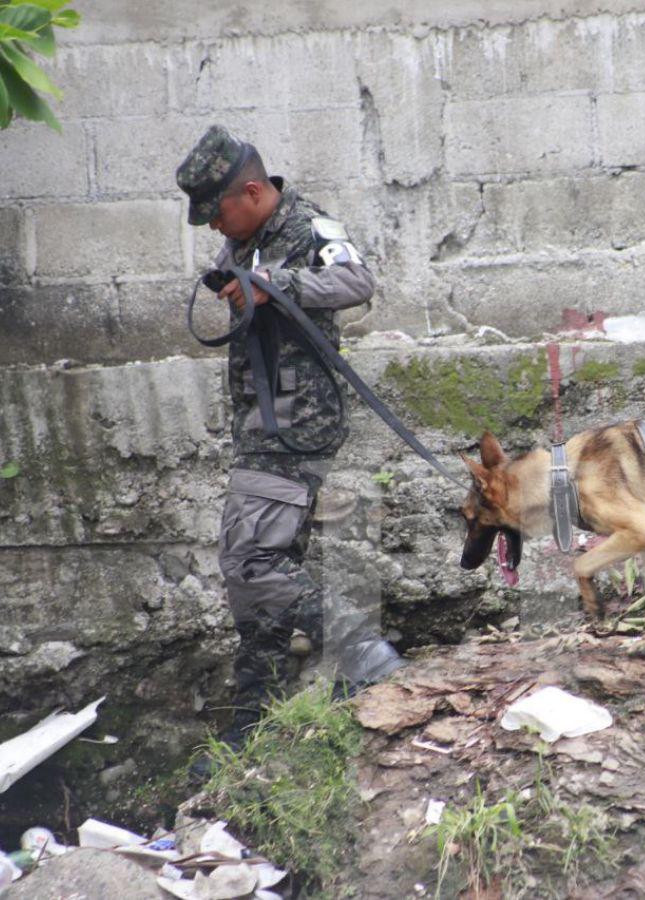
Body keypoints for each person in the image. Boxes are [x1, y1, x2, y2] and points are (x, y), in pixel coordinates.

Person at [176, 125, 403, 762]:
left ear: (251, 192)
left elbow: (357, 281)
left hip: (296, 421)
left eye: (217, 210)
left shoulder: (309, 226)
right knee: (259, 583)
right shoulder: (240, 239)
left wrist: (276, 283)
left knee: (249, 560)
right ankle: (256, 726)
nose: (214, 225)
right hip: (262, 420)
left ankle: (362, 651)